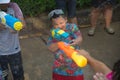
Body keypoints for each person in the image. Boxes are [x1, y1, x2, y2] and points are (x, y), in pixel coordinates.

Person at [47, 9, 83, 80]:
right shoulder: (53, 32)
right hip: (60, 67)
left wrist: (76, 41)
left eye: (61, 23)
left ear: (66, 20)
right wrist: (59, 44)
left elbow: (80, 38)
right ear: (52, 24)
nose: (59, 26)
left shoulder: (72, 27)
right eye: (56, 24)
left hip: (74, 64)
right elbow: (50, 48)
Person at [0, 0, 26, 80]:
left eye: (6, 2)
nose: (5, 5)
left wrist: (18, 26)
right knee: (3, 75)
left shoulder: (14, 6)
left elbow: (23, 24)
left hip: (14, 50)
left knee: (18, 74)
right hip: (1, 52)